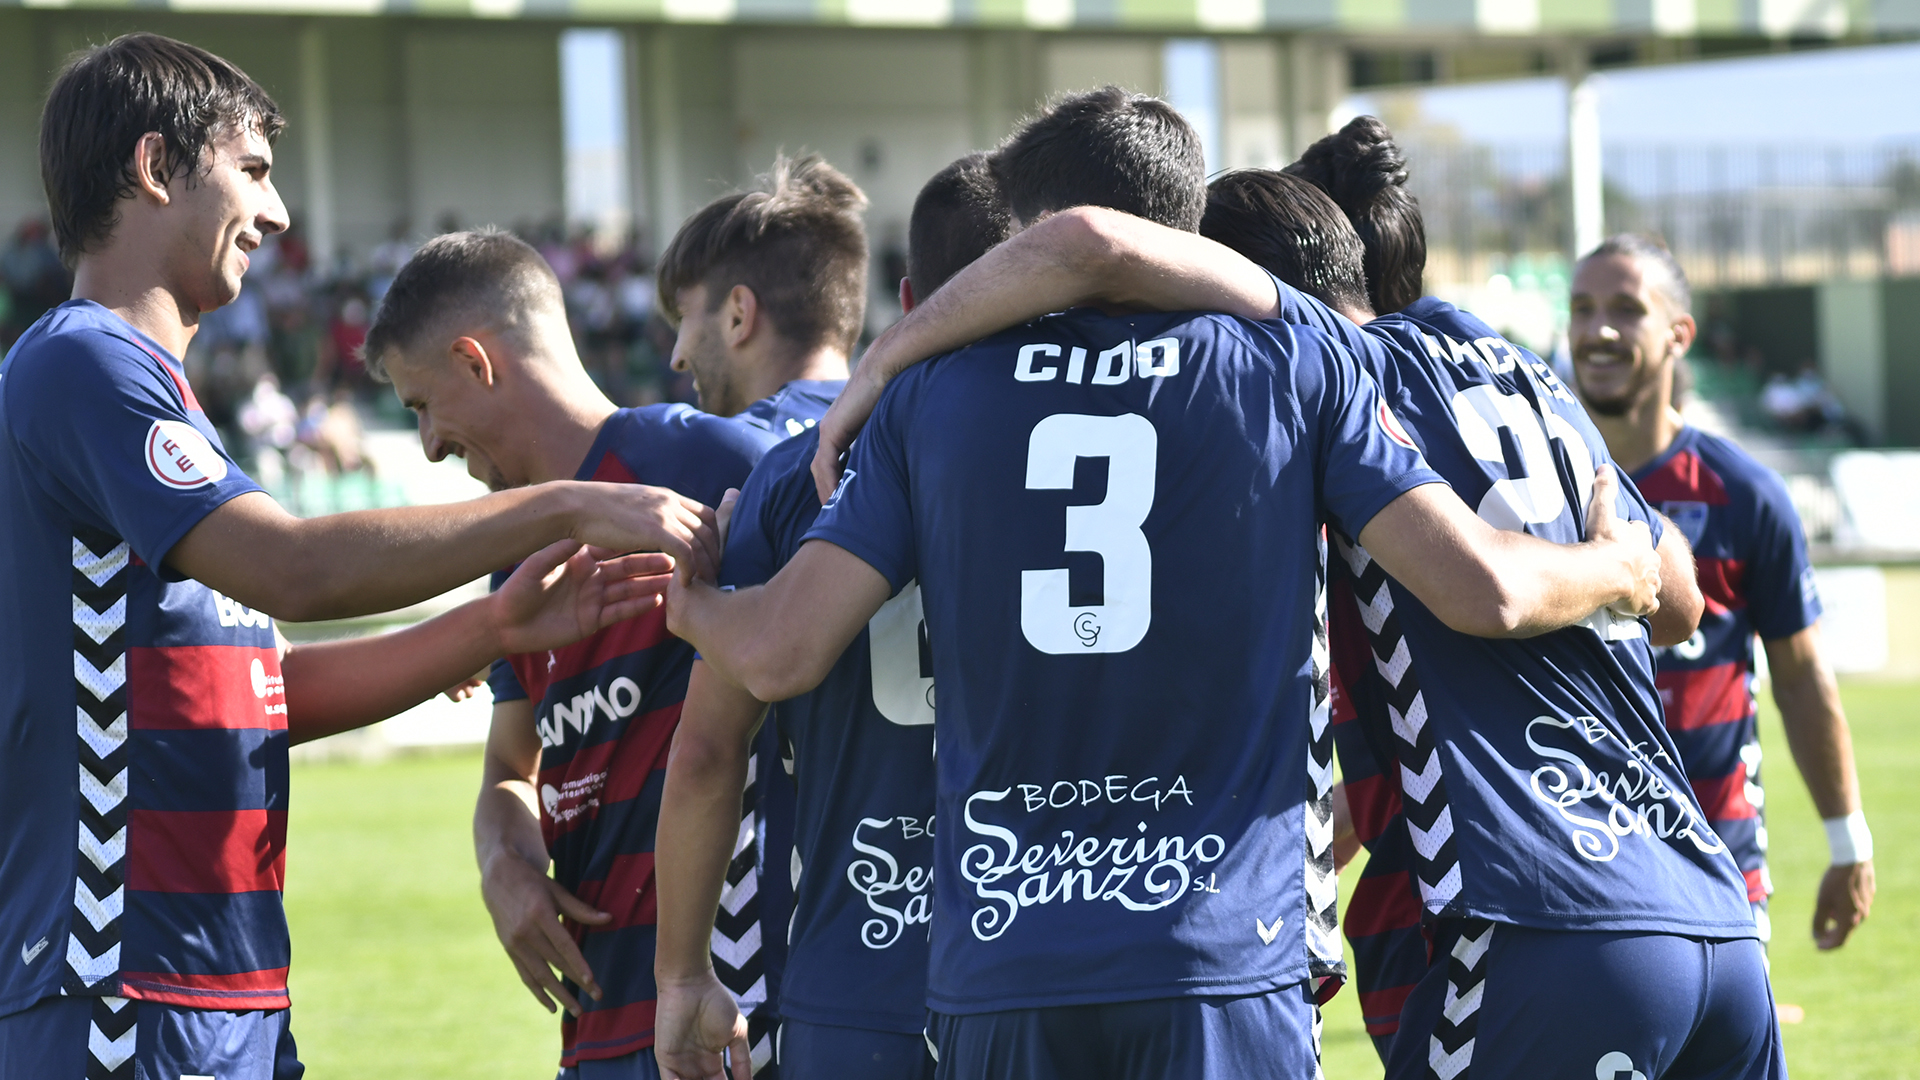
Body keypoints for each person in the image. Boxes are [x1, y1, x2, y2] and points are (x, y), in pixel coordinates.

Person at [665, 87, 1662, 1079]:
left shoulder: (929, 394)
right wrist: (1620, 567)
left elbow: (780, 653)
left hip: (1008, 959)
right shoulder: (1295, 356)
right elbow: (1481, 589)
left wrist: (690, 601)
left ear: (1021, 244)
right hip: (1221, 951)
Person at [0, 33, 714, 1080]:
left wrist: (490, 627)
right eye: (252, 170)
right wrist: (567, 502)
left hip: (216, 985)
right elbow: (297, 570)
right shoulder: (82, 360)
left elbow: (253, 696)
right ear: (154, 170)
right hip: (119, 987)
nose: (280, 213)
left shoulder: (155, 399)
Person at [369, 153, 864, 1080]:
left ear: (476, 362)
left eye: (424, 405)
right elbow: (509, 771)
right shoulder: (510, 550)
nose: (429, 444)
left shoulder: (711, 460)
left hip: (727, 1011)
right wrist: (503, 862)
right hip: (597, 1025)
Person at [652, 153, 1011, 1080]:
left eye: (683, 320)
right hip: (1051, 943)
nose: (677, 355)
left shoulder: (768, 473)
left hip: (858, 965)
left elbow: (704, 754)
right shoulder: (1069, 449)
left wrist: (681, 974)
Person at [1570, 234, 1875, 979]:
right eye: (1582, 309)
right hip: (1574, 878)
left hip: (1719, 877)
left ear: (1680, 333)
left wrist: (1848, 842)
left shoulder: (1745, 496)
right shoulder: (1532, 487)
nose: (1598, 330)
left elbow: (1801, 682)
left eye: (1625, 309)